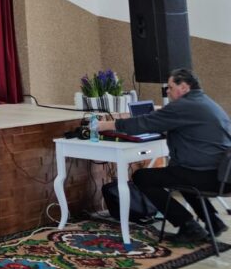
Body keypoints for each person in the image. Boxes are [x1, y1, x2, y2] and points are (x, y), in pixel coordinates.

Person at [99, 69, 231, 242]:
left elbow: (146, 122)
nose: (167, 91)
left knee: (142, 177)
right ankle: (213, 222)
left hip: (209, 176)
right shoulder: (206, 102)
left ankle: (188, 226)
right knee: (177, 171)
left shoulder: (184, 106)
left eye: (170, 87)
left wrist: (107, 125)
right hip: (221, 175)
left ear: (183, 87)